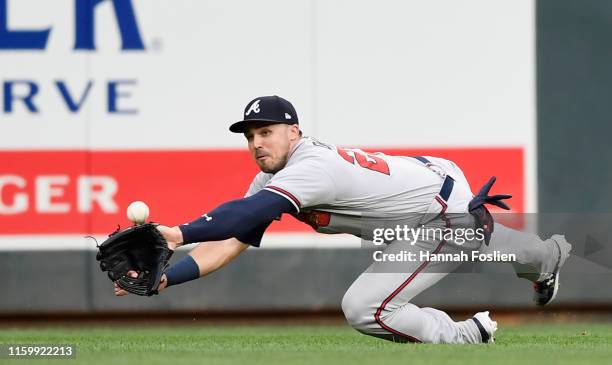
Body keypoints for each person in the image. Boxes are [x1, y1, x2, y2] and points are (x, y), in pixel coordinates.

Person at [114, 96, 571, 344]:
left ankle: (466, 337)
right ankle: (548, 256)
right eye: (251, 136)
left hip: (440, 216)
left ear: (295, 131)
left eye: (267, 133)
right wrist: (166, 281)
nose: (257, 143)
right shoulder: (275, 177)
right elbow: (230, 238)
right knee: (498, 245)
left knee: (365, 308)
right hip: (429, 192)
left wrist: (177, 232)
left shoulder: (311, 168)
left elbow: (249, 212)